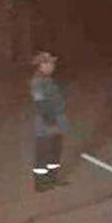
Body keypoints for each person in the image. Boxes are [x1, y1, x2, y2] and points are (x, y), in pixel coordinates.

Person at [29, 51, 67, 192]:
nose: (53, 66)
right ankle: (40, 184)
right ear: (42, 65)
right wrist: (50, 121)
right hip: (47, 123)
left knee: (55, 152)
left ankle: (52, 180)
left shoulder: (48, 79)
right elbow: (40, 103)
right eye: (50, 63)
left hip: (56, 121)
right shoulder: (38, 81)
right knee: (43, 153)